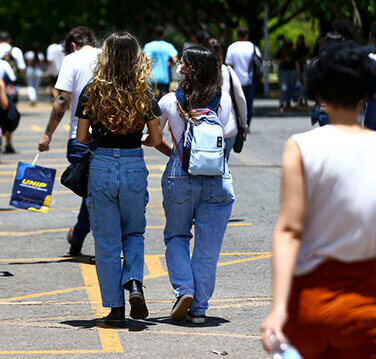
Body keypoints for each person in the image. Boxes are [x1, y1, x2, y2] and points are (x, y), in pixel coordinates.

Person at [261, 44, 376, 358]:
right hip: (366, 305)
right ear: (367, 93)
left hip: (310, 301)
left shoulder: (300, 147)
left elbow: (289, 231)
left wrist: (278, 309)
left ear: (319, 93)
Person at [76, 31, 162, 328]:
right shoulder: (145, 90)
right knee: (134, 232)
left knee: (107, 242)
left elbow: (81, 137)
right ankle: (135, 281)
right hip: (133, 164)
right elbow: (157, 137)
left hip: (101, 166)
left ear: (106, 56)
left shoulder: (93, 90)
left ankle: (115, 310)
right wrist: (141, 141)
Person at [156, 46, 235, 324]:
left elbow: (153, 138)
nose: (178, 64)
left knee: (177, 236)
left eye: (182, 61)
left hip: (180, 175)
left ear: (189, 69)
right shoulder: (222, 100)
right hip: (217, 177)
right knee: (207, 247)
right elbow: (227, 132)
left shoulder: (168, 101)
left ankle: (184, 289)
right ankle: (199, 308)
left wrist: (176, 154)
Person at [38, 26, 99, 256]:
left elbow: (62, 101)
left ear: (72, 45)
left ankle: (80, 234)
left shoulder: (72, 60)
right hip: (110, 136)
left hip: (80, 137)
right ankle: (82, 234)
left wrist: (47, 135)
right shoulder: (108, 55)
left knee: (91, 192)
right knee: (96, 193)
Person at [208, 38, 248, 160]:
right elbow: (240, 98)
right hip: (229, 129)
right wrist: (243, 123)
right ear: (221, 55)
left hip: (204, 131)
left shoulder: (198, 72)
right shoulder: (228, 71)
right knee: (223, 165)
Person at [225, 27, 261, 128]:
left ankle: (238, 124)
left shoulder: (232, 47)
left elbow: (229, 65)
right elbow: (258, 62)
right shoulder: (253, 47)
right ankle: (246, 124)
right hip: (250, 80)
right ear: (247, 35)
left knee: (236, 104)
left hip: (236, 81)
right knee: (248, 104)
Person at [143, 26, 178, 100]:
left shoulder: (148, 46)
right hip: (164, 78)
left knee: (151, 100)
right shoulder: (168, 46)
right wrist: (170, 64)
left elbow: (145, 60)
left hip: (151, 78)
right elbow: (175, 60)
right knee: (163, 100)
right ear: (163, 34)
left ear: (154, 35)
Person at [275, 39, 298, 112]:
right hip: (283, 71)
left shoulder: (294, 52)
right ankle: (281, 103)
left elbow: (297, 64)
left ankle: (287, 103)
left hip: (292, 71)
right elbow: (276, 62)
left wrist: (298, 75)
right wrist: (284, 59)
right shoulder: (280, 51)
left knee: (290, 88)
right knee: (283, 88)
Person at [295, 34, 309, 107]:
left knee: (305, 84)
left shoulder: (305, 48)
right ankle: (300, 99)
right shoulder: (296, 48)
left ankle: (305, 100)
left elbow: (307, 57)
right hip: (297, 67)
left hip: (303, 67)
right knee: (299, 84)